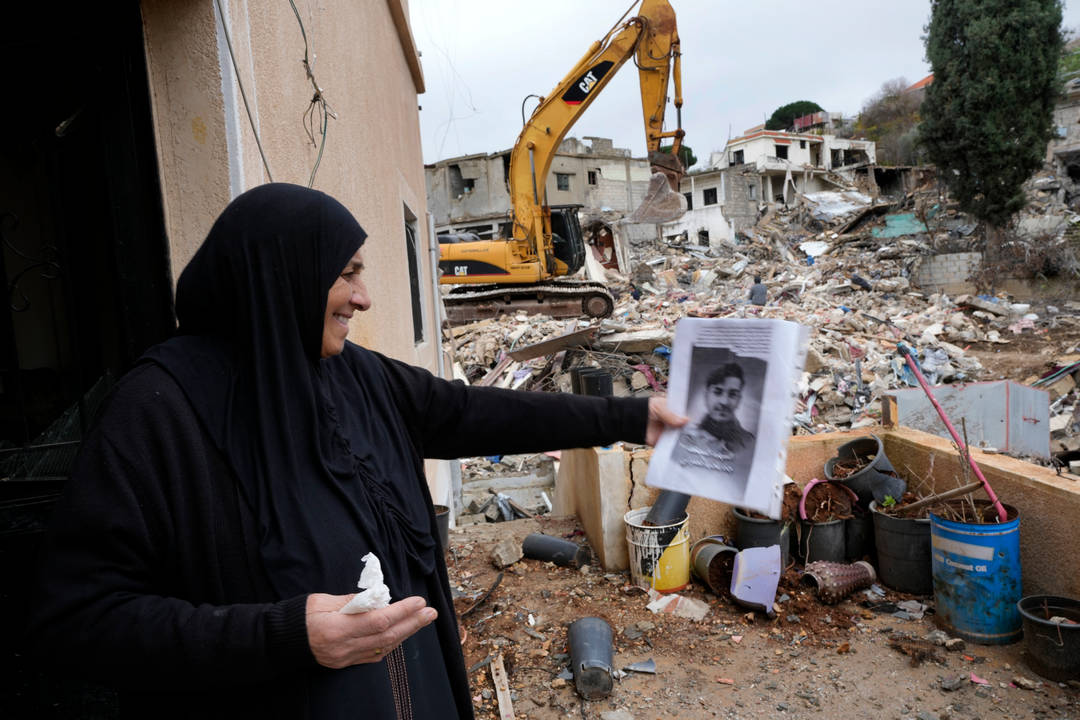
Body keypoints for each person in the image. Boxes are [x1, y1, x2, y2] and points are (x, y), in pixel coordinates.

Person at [26, 183, 687, 719]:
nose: (364, 297)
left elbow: (473, 412)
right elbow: (79, 618)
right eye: (345, 275)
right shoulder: (160, 412)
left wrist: (628, 415)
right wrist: (284, 636)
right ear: (282, 276)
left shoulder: (353, 375)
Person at [672, 362, 755, 475]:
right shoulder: (686, 437)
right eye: (717, 392)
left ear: (739, 400)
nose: (724, 402)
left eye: (732, 394)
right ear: (706, 395)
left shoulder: (748, 442)